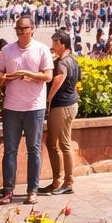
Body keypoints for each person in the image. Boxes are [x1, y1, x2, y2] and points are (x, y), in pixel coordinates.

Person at [0, 16, 53, 205]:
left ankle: (32, 190)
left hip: (34, 106)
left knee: (34, 149)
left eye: (24, 28)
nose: (21, 31)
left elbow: (48, 76)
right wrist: (3, 77)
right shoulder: (7, 50)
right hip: (12, 106)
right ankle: (8, 190)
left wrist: (28, 74)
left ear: (32, 29)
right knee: (10, 150)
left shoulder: (41, 49)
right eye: (18, 28)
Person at [40, 30, 81, 196]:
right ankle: (57, 181)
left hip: (62, 105)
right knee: (52, 143)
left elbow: (59, 78)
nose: (53, 45)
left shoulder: (63, 62)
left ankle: (68, 182)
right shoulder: (72, 60)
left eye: (55, 42)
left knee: (63, 143)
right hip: (68, 104)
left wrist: (49, 99)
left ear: (63, 44)